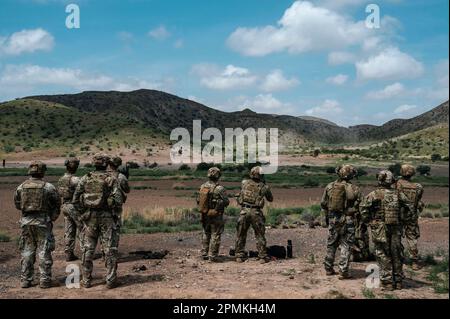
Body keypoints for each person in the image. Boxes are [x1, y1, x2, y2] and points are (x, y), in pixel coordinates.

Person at [73, 154, 122, 289]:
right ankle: (111, 280)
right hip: (107, 217)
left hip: (90, 218)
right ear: (106, 164)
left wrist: (84, 213)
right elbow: (118, 201)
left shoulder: (85, 178)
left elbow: (75, 199)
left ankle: (86, 280)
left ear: (93, 163)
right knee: (109, 249)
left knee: (88, 249)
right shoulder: (111, 179)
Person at [360, 170, 414, 291]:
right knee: (397, 253)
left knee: (382, 253)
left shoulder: (374, 194)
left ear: (380, 179)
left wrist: (369, 221)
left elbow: (363, 207)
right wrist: (404, 220)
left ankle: (387, 282)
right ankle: (398, 281)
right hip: (396, 228)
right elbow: (410, 206)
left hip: (380, 228)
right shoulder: (398, 194)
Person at [14, 161, 60, 288]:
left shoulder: (21, 187)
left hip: (26, 222)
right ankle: (44, 280)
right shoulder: (49, 187)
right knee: (44, 250)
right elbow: (56, 204)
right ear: (42, 171)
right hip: (43, 222)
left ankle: (25, 280)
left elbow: (17, 204)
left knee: (27, 251)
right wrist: (52, 218)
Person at [321, 164, 362, 279]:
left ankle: (328, 268)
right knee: (346, 245)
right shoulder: (354, 188)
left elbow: (323, 203)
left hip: (333, 219)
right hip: (348, 220)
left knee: (331, 244)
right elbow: (360, 205)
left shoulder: (330, 186)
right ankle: (343, 271)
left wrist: (327, 217)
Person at [235, 166, 273, 264]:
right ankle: (262, 257)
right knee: (260, 235)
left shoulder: (244, 182)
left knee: (241, 234)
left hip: (244, 211)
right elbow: (270, 198)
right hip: (256, 212)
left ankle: (239, 255)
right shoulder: (264, 187)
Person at [197, 167, 229, 262]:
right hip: (216, 214)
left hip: (205, 213)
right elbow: (226, 202)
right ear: (218, 175)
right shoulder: (220, 188)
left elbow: (198, 200)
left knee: (206, 233)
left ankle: (204, 254)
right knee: (215, 234)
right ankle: (213, 255)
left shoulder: (202, 186)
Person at [396, 164, 424, 270]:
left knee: (397, 237)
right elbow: (418, 201)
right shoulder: (418, 187)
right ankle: (414, 262)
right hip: (411, 215)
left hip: (398, 215)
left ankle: (398, 259)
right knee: (412, 238)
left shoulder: (396, 185)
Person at [57, 157, 82, 261]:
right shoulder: (75, 179)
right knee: (83, 228)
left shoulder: (61, 179)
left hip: (65, 205)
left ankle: (69, 253)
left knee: (69, 230)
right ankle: (86, 253)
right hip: (74, 206)